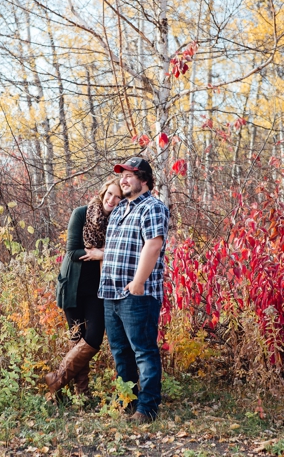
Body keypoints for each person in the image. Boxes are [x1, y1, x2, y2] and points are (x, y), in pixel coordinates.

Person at [99, 156, 170, 423]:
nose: (123, 179)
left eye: (129, 175)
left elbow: (153, 245)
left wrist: (138, 282)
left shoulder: (152, 207)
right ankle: (126, 400)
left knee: (143, 351)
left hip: (137, 294)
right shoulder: (119, 209)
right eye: (122, 175)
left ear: (145, 179)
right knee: (120, 353)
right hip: (111, 293)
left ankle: (147, 408)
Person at [46, 177, 121, 397]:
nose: (112, 199)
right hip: (73, 288)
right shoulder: (81, 213)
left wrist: (104, 254)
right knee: (77, 339)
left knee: (94, 337)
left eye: (118, 197)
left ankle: (57, 380)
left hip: (98, 290)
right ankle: (83, 394)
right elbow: (72, 251)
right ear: (103, 191)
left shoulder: (118, 221)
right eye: (110, 194)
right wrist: (97, 252)